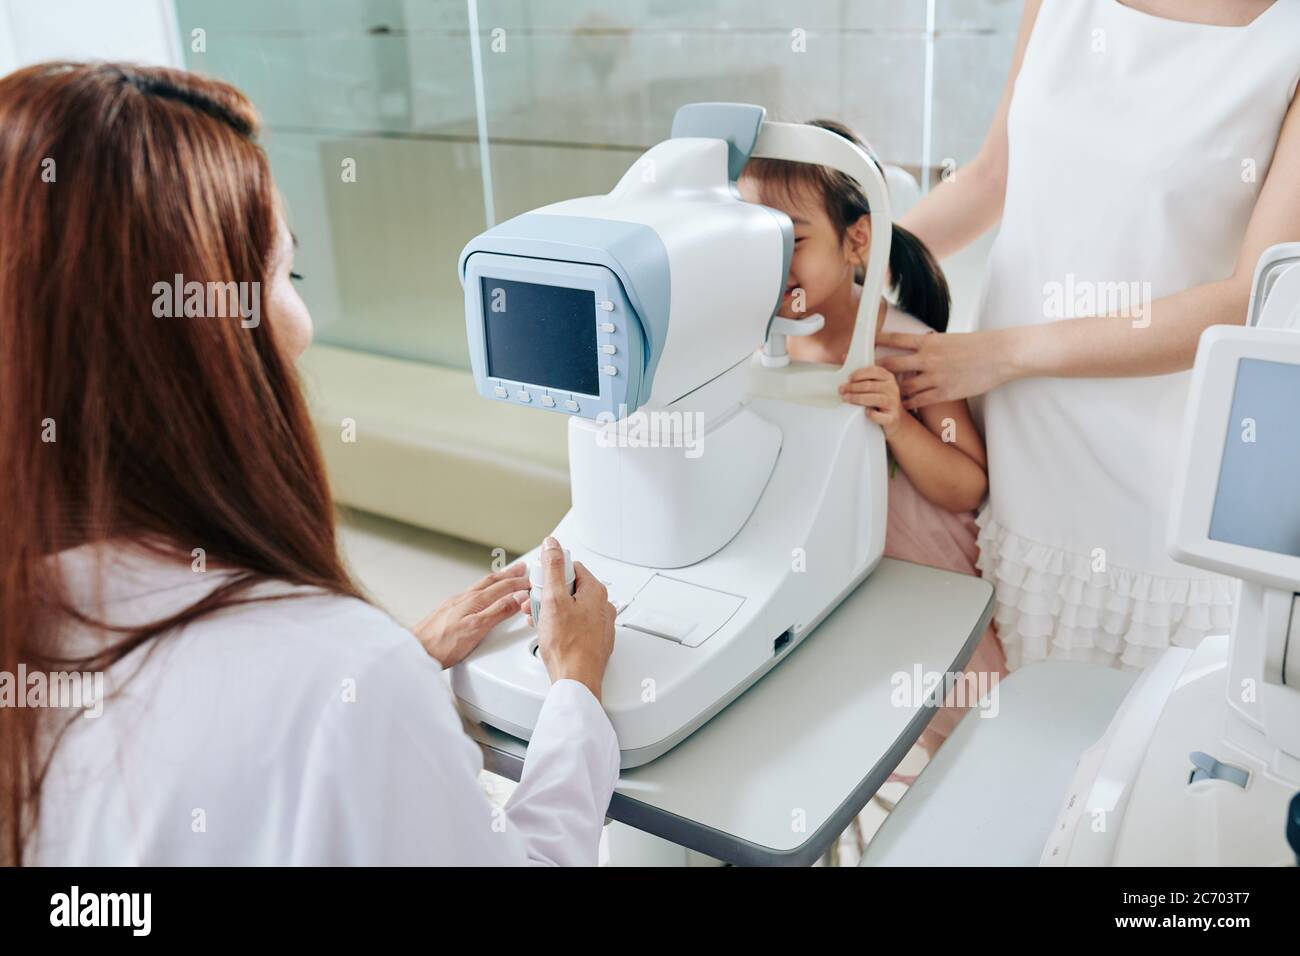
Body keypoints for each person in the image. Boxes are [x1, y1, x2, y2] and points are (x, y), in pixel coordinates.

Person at [0, 61, 616, 866]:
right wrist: (576, 693)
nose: (305, 322)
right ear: (210, 334)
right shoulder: (336, 682)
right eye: (284, 273)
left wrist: (386, 668)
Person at [878, 0, 1300, 672]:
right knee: (990, 738)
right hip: (1011, 453)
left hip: (1152, 480)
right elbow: (992, 177)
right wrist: (858, 271)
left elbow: (1250, 294)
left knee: (1122, 753)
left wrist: (1005, 354)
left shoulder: (1288, 43)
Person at [739, 120, 1005, 760]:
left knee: (973, 738)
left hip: (927, 586)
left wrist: (898, 423)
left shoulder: (909, 350)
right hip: (833, 583)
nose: (775, 267)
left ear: (857, 240)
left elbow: (968, 483)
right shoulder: (761, 349)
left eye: (794, 241)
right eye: (756, 242)